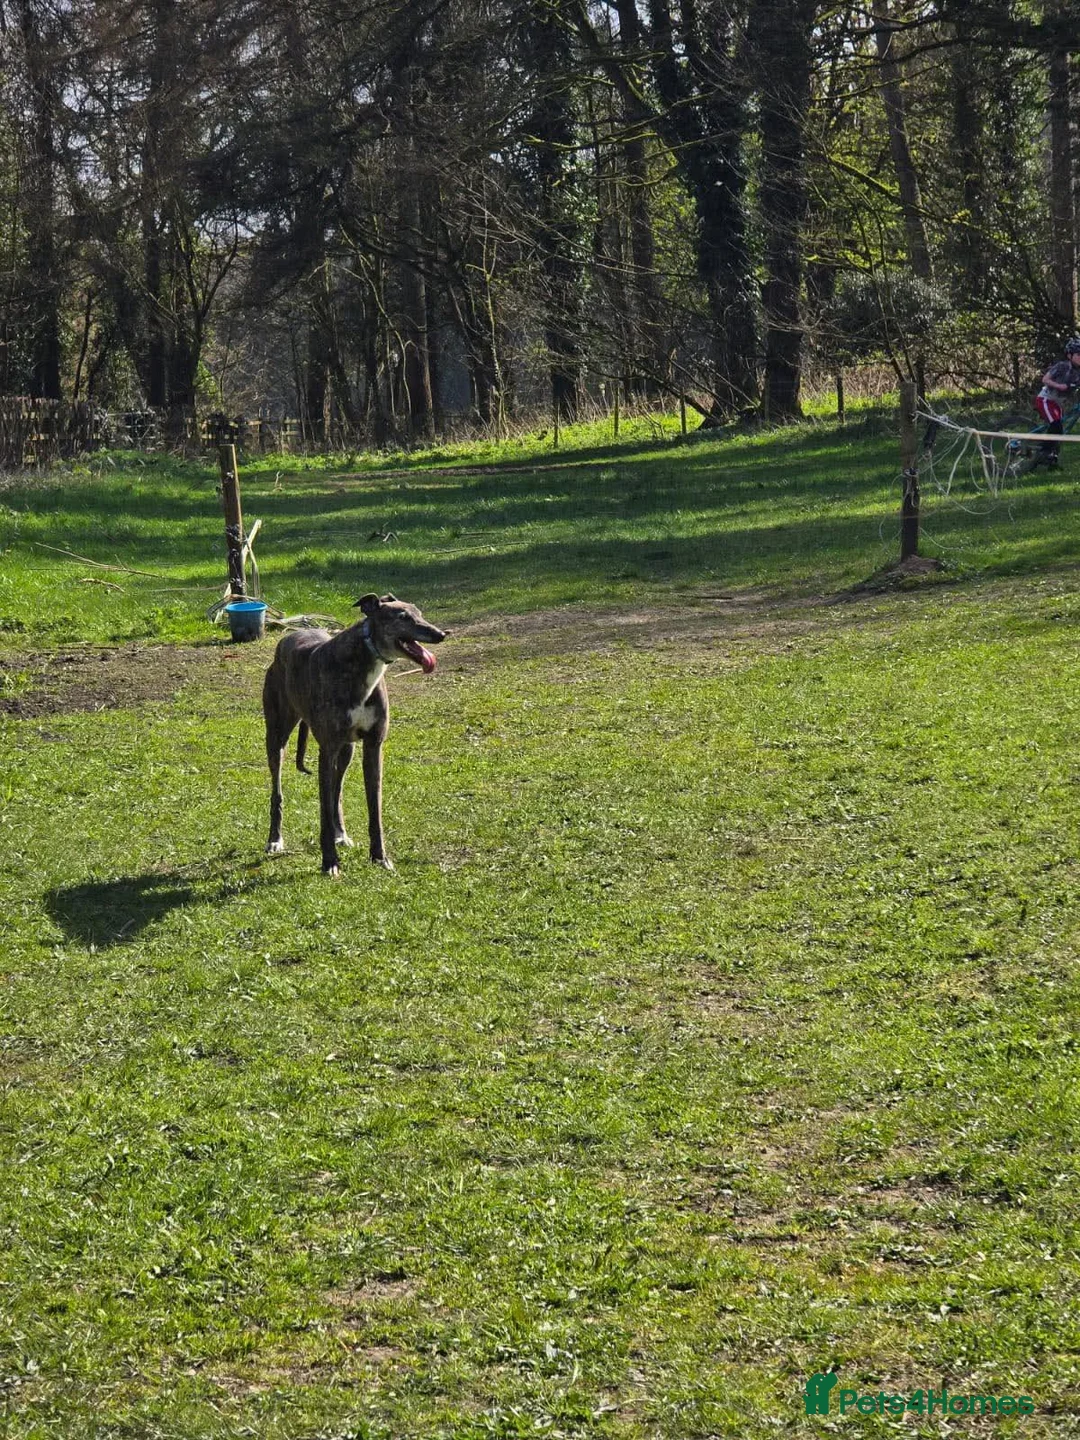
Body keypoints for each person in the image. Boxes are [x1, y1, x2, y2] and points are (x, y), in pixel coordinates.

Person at [1034, 337, 1080, 466]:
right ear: (1070, 355)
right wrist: (1058, 386)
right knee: (1056, 426)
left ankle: (1052, 461)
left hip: (1057, 404)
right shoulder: (1062, 366)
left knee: (1059, 431)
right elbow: (1045, 379)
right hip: (1046, 399)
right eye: (1078, 354)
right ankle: (1043, 453)